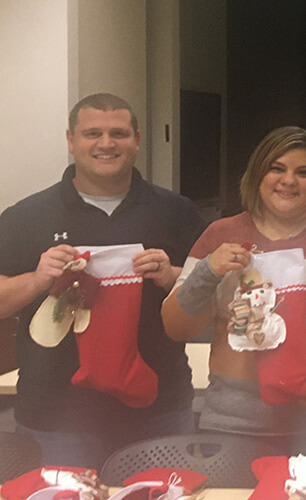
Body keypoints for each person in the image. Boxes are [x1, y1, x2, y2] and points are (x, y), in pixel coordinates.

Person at [162, 126, 306, 472]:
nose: (289, 181)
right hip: (236, 421)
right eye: (277, 168)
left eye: (303, 172)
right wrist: (208, 270)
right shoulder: (219, 235)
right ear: (257, 175)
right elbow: (177, 326)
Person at [0, 93, 205, 468]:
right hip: (56, 415)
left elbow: (215, 298)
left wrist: (173, 276)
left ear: (137, 140)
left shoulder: (176, 212)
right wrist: (37, 279)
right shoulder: (27, 216)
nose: (106, 144)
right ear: (71, 140)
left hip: (159, 406)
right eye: (93, 133)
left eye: (119, 133)